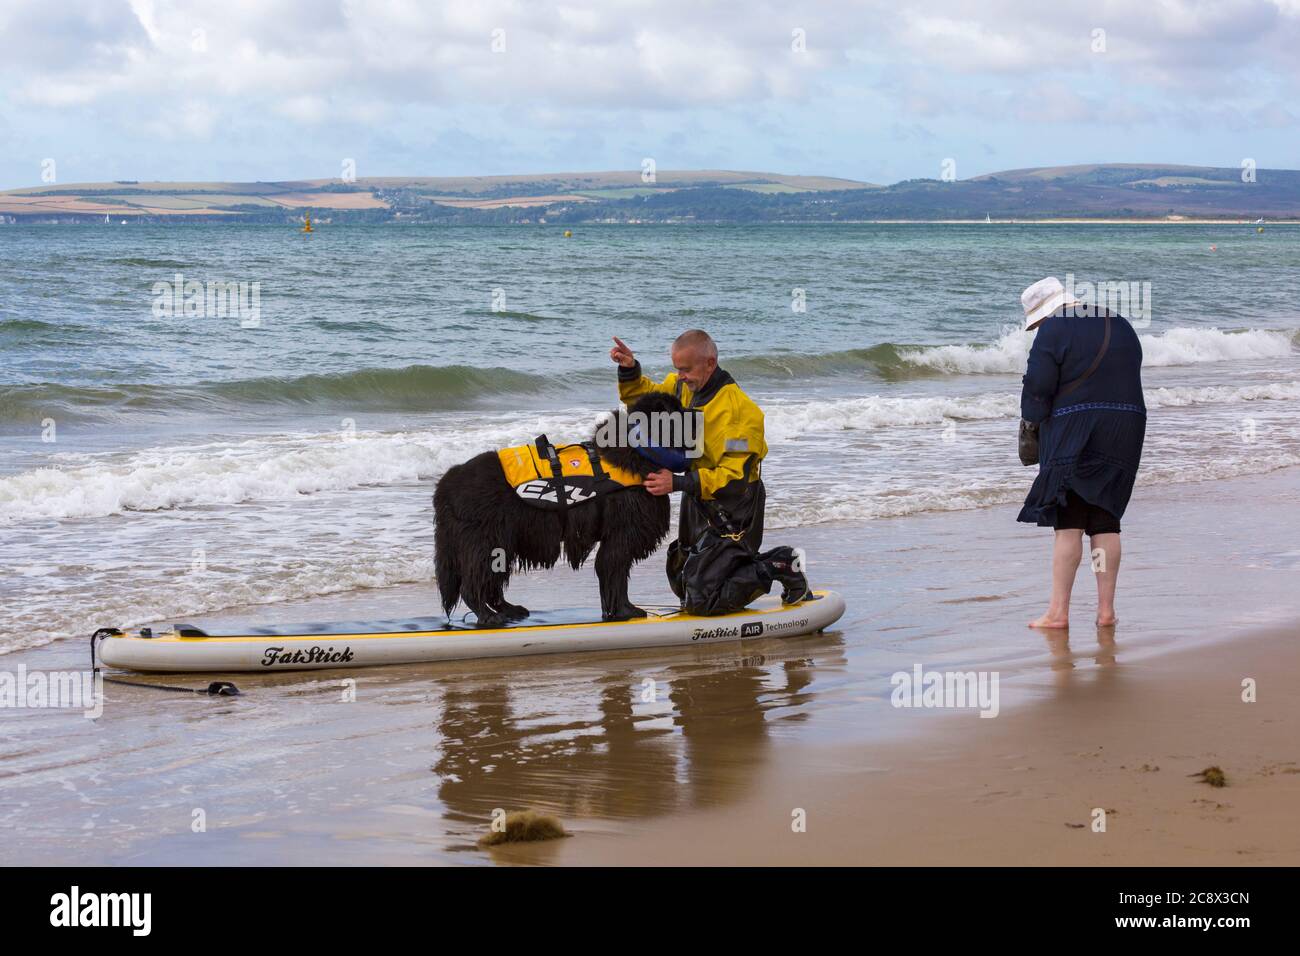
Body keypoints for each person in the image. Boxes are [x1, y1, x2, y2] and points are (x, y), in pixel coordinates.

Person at [610, 329, 810, 604]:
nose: (680, 375)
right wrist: (630, 371)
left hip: (735, 507)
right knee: (681, 581)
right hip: (698, 498)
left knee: (702, 600)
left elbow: (734, 478)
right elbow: (645, 403)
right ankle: (722, 569)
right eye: (677, 369)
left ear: (710, 363)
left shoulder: (738, 412)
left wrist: (678, 482)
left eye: (686, 369)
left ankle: (781, 564)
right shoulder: (682, 386)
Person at [1017, 277, 1146, 629]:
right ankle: (1106, 612)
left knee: (1069, 520)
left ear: (1045, 312)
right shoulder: (1119, 322)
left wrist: (1031, 423)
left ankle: (1057, 613)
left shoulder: (1055, 328)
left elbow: (1038, 387)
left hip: (1077, 426)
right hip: (1128, 426)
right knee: (1105, 519)